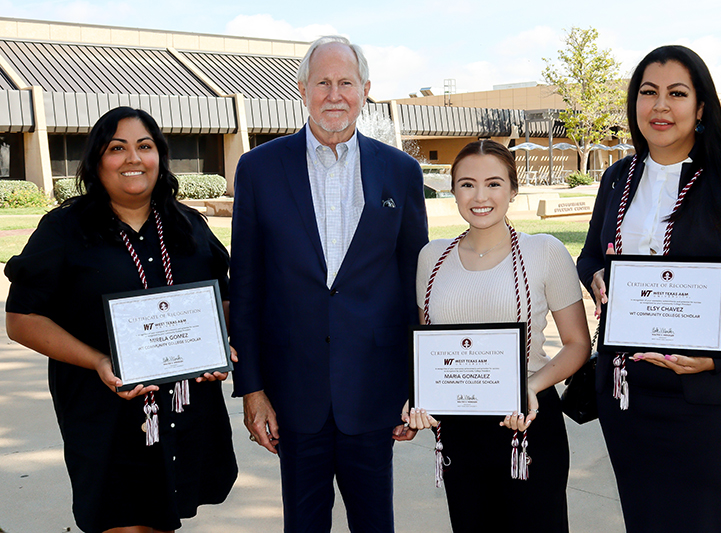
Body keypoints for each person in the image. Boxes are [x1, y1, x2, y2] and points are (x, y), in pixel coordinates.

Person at [576, 45, 721, 533]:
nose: (660, 106)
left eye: (677, 93)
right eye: (647, 92)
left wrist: (719, 353)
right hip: (628, 398)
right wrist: (595, 275)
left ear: (701, 107)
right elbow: (592, 254)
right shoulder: (618, 177)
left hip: (714, 401)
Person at [4, 107, 238, 533]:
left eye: (144, 146)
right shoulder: (65, 230)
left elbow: (221, 300)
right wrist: (97, 361)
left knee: (165, 519)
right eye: (117, 148)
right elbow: (21, 318)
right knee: (122, 522)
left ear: (160, 158)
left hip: (182, 411)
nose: (133, 158)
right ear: (97, 160)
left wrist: (218, 344)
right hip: (104, 414)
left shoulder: (189, 227)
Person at [229, 35, 428, 532]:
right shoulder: (258, 168)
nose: (334, 94)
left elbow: (413, 287)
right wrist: (252, 388)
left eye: (345, 82)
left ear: (365, 90)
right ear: (302, 89)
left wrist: (415, 386)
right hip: (293, 393)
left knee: (375, 522)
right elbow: (247, 287)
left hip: (375, 390)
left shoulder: (400, 171)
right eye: (322, 82)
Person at [401, 140, 591, 532]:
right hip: (457, 430)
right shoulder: (431, 257)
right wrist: (419, 395)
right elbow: (429, 345)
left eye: (494, 183)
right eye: (467, 184)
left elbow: (577, 344)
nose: (480, 196)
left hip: (528, 420)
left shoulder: (545, 251)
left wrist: (531, 386)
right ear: (452, 191)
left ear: (513, 190)